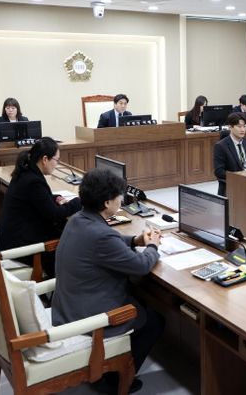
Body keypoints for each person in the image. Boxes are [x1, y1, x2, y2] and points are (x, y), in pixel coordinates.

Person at [52, 168, 164, 394]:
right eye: (118, 196)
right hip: (88, 316)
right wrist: (152, 246)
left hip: (67, 305)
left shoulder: (78, 219)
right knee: (154, 321)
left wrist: (135, 240)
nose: (121, 199)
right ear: (107, 202)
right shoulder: (101, 234)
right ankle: (115, 380)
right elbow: (141, 266)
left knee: (139, 298)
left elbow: (109, 241)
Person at [0, 137, 81, 277]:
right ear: (45, 159)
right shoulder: (34, 181)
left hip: (10, 238)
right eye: (56, 160)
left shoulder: (25, 172)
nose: (57, 164)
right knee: (71, 240)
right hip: (20, 246)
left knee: (64, 232)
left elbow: (37, 199)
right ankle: (64, 282)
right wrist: (77, 202)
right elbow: (54, 214)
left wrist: (53, 198)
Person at [213, 113, 246, 196]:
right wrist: (239, 177)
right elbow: (219, 171)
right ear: (230, 127)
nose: (243, 129)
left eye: (244, 126)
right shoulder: (221, 146)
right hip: (233, 186)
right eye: (239, 126)